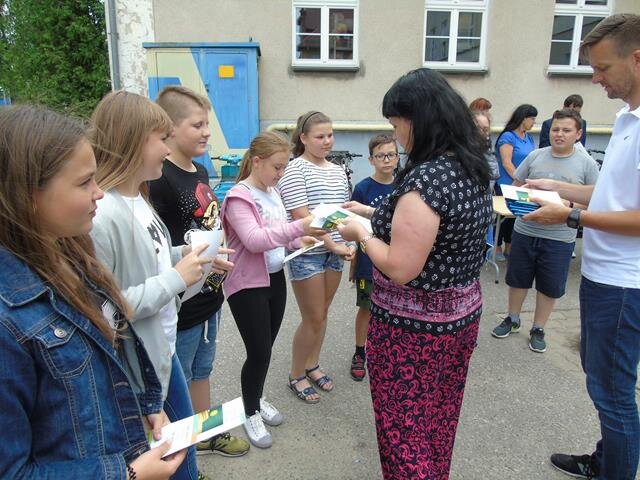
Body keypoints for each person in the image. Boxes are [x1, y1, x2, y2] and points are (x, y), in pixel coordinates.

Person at [0, 105, 186, 479]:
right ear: (29, 194)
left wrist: (144, 404)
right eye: (85, 183)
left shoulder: (71, 252)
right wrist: (128, 474)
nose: (99, 193)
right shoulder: (9, 319)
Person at [339, 68, 493, 480]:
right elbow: (434, 229)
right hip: (460, 318)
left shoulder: (425, 179)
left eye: (396, 124)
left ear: (418, 119)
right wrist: (372, 212)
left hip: (413, 332)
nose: (395, 134)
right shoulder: (470, 165)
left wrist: (361, 234)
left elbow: (401, 268)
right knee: (439, 419)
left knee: (404, 432)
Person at [522, 14, 640, 480]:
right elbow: (615, 197)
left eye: (603, 68)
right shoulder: (628, 118)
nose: (595, 79)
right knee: (603, 383)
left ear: (637, 59)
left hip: (625, 285)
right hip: (602, 276)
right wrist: (558, 187)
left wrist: (570, 216)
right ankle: (607, 460)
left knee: (613, 394)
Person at [90, 90, 222, 480]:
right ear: (132, 142)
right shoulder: (103, 214)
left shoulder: (139, 198)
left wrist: (189, 254)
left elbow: (151, 258)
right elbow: (105, 309)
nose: (167, 150)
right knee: (176, 464)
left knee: (185, 453)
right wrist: (175, 278)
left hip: (163, 353)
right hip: (138, 366)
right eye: (161, 139)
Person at [150, 86, 250, 458]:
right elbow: (157, 249)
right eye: (197, 125)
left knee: (203, 369)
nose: (207, 132)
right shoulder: (158, 179)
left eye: (207, 123)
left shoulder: (201, 169)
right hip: (181, 302)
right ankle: (180, 456)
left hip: (210, 293)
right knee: (178, 380)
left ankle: (204, 435)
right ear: (170, 128)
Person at [221, 131, 324, 447]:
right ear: (256, 161)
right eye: (277, 167)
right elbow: (254, 240)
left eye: (284, 167)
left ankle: (257, 397)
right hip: (248, 284)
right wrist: (299, 227)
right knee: (259, 351)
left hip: (274, 277)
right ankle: (250, 412)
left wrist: (298, 240)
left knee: (265, 349)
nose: (281, 173)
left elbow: (276, 232)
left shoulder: (272, 191)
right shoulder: (239, 196)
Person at [491, 109, 599, 353]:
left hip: (559, 238)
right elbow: (517, 186)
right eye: (555, 129)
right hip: (525, 231)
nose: (559, 134)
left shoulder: (587, 164)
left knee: (549, 286)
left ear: (578, 134)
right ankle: (512, 318)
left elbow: (594, 201)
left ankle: (538, 328)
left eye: (566, 130)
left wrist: (567, 206)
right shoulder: (535, 156)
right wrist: (520, 201)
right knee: (517, 279)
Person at [277, 111, 355, 403]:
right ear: (304, 138)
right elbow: (302, 216)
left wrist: (347, 242)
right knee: (313, 316)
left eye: (330, 135)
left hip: (335, 251)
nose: (327, 141)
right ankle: (296, 374)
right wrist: (333, 245)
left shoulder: (337, 170)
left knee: (323, 312)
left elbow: (342, 211)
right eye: (320, 136)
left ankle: (313, 364)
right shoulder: (294, 169)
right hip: (308, 251)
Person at [347, 134, 398, 381]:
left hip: (397, 259)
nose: (386, 160)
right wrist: (354, 258)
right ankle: (360, 351)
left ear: (397, 157)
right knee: (366, 308)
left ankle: (390, 352)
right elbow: (353, 226)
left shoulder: (405, 186)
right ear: (371, 160)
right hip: (368, 262)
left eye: (391, 154)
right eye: (380, 155)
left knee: (395, 309)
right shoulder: (362, 189)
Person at [494, 104, 538, 260]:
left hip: (523, 184)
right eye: (532, 118)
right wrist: (518, 179)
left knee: (516, 215)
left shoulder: (529, 138)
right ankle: (496, 247)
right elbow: (507, 163)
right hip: (507, 183)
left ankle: (509, 245)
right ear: (523, 118)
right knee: (503, 217)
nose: (534, 122)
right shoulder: (508, 137)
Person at [472, 111, 500, 192]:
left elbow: (494, 174)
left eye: (485, 129)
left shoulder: (487, 149)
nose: (481, 133)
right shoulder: (460, 151)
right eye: (477, 128)